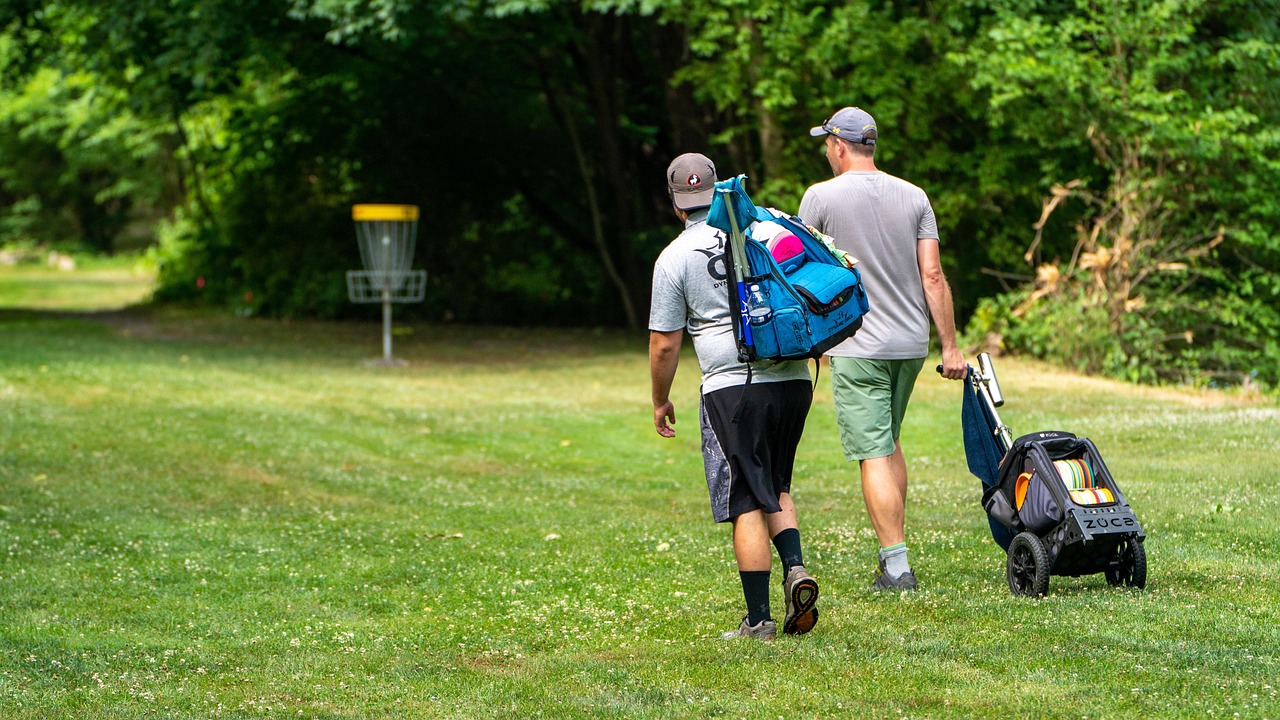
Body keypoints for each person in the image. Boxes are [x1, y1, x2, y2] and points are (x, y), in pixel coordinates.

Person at [649, 152, 820, 640]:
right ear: (719, 189)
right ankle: (795, 567)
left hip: (732, 388)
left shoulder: (674, 257)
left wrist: (660, 399)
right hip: (792, 378)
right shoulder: (760, 229)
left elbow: (664, 343)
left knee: (744, 496)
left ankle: (759, 620)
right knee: (775, 482)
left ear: (676, 202)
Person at [799, 107, 967, 591]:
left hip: (858, 345)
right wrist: (950, 347)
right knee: (889, 441)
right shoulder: (915, 196)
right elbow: (932, 275)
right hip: (910, 344)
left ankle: (897, 568)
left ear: (838, 146)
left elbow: (801, 270)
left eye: (826, 145)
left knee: (872, 452)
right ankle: (890, 554)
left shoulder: (820, 197)